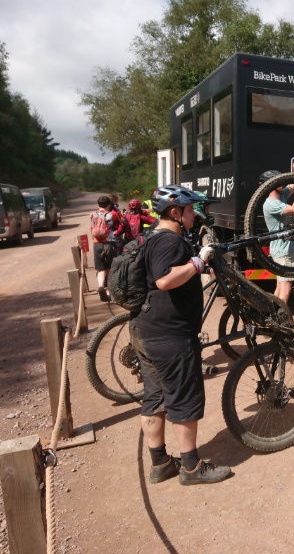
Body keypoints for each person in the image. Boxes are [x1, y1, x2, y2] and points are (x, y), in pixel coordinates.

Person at [132, 184, 231, 486]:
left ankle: (160, 462)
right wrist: (198, 261)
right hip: (170, 336)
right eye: (189, 210)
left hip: (147, 330)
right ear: (175, 212)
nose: (193, 215)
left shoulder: (151, 235)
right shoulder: (169, 242)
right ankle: (191, 468)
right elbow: (165, 279)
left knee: (155, 397)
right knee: (184, 399)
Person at [261, 160, 294, 303]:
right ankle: (282, 322)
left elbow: (291, 185)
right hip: (283, 252)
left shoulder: (280, 197)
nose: (283, 183)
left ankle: (273, 319)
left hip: (281, 250)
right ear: (271, 185)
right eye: (278, 182)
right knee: (285, 291)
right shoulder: (271, 203)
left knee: (279, 288)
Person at [90, 195, 123, 302]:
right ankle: (108, 291)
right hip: (109, 243)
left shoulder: (92, 215)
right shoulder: (111, 215)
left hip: (97, 243)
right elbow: (121, 219)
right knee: (109, 267)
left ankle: (100, 286)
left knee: (101, 268)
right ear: (109, 205)